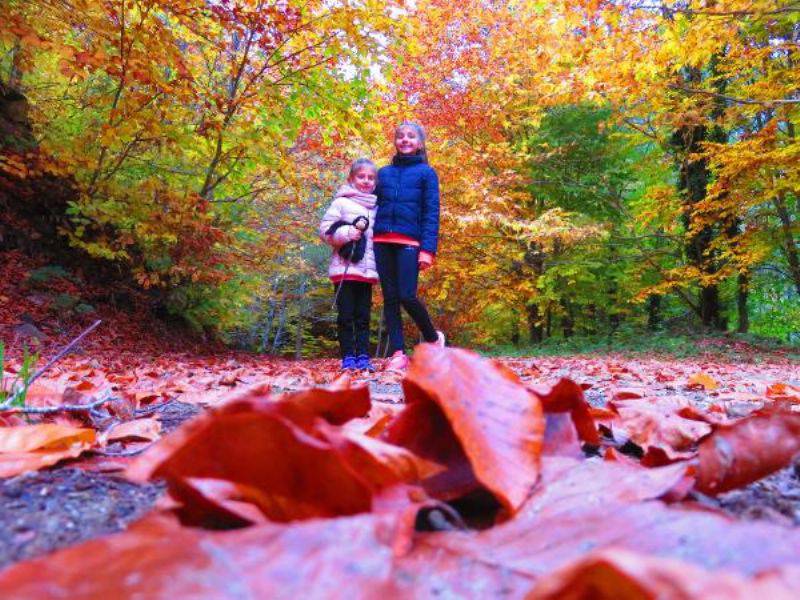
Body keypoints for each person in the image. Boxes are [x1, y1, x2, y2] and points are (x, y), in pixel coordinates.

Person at [373, 122, 445, 371]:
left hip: (410, 242)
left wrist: (427, 249)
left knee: (406, 295)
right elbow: (368, 201)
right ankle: (397, 353)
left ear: (420, 143)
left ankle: (434, 339)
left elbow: (431, 213)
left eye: (411, 136)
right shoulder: (383, 173)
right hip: (381, 241)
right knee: (390, 299)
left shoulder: (427, 173)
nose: (405, 140)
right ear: (395, 141)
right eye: (400, 136)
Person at [319, 158, 378, 371]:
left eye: (371, 177)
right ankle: (347, 357)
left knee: (363, 316)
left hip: (367, 271)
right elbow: (325, 229)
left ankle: (363, 356)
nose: (366, 181)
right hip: (344, 269)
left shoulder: (376, 206)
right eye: (361, 176)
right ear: (351, 179)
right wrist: (346, 233)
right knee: (346, 315)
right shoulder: (341, 202)